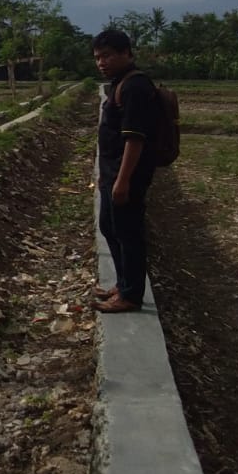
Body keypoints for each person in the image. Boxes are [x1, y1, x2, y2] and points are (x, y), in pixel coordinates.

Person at [92, 29, 158, 313]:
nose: (101, 62)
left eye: (107, 56)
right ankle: (122, 283)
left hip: (126, 176)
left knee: (128, 232)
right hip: (112, 173)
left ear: (126, 54)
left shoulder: (134, 87)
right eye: (97, 58)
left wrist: (122, 181)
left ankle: (131, 295)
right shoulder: (120, 83)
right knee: (110, 226)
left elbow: (135, 138)